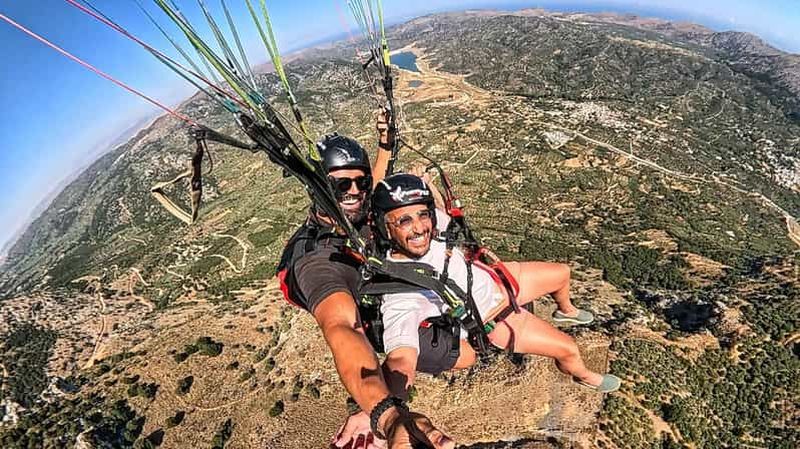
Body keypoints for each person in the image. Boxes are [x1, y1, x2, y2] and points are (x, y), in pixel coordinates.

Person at [278, 113, 454, 449]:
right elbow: (342, 327)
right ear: (320, 187)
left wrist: (385, 146)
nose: (356, 191)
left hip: (389, 285)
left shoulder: (355, 210)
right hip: (381, 317)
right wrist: (386, 417)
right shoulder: (319, 261)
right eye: (343, 185)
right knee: (456, 352)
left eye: (361, 183)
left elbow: (371, 180)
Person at [370, 173, 622, 401]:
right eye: (404, 220)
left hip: (498, 279)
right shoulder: (403, 292)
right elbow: (401, 359)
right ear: (386, 227)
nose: (418, 227)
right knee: (568, 349)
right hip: (499, 318)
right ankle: (583, 375)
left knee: (562, 273)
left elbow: (438, 209)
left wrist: (428, 183)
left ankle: (566, 311)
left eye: (422, 215)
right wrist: (391, 409)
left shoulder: (432, 230)